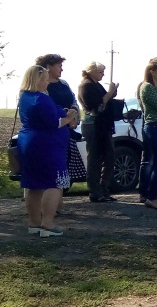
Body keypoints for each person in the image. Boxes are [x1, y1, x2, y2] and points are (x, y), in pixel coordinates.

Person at [17, 65, 78, 237]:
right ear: (36, 80)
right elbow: (54, 123)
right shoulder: (41, 99)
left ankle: (34, 223)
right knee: (54, 183)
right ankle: (48, 224)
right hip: (47, 146)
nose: (47, 83)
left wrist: (62, 113)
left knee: (34, 185)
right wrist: (69, 117)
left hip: (29, 143)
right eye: (44, 79)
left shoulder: (25, 97)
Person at [36, 54, 85, 191]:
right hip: (52, 131)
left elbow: (74, 100)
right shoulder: (42, 87)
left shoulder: (64, 84)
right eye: (59, 66)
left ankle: (58, 199)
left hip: (67, 130)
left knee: (65, 165)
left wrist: (74, 115)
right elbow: (48, 108)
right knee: (52, 169)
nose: (62, 69)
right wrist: (65, 116)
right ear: (48, 67)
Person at [77, 61, 118, 203]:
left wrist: (112, 92)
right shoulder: (86, 86)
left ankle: (104, 189)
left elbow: (106, 100)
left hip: (104, 125)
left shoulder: (96, 85)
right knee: (94, 159)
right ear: (91, 71)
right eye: (100, 72)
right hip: (94, 126)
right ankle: (95, 191)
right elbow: (98, 105)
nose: (103, 74)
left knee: (109, 157)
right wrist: (109, 93)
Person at [137, 58, 157, 210]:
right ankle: (151, 195)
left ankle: (154, 193)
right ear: (152, 72)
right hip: (153, 126)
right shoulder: (147, 87)